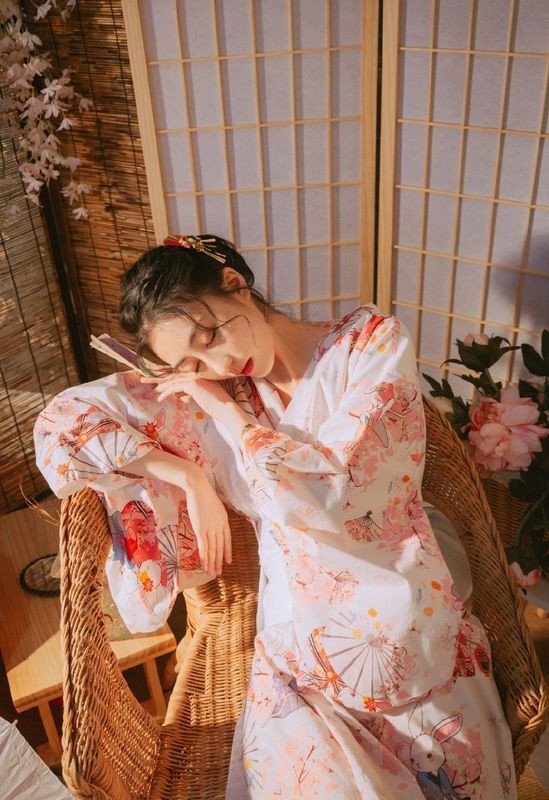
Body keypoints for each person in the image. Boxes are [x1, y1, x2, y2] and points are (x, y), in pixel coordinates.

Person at [34, 234, 516, 799]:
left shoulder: (370, 345)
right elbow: (61, 424)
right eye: (191, 363)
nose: (216, 364)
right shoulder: (215, 389)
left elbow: (340, 492)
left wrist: (229, 417)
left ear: (235, 284)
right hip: (295, 638)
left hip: (396, 604)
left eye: (210, 336)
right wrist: (187, 476)